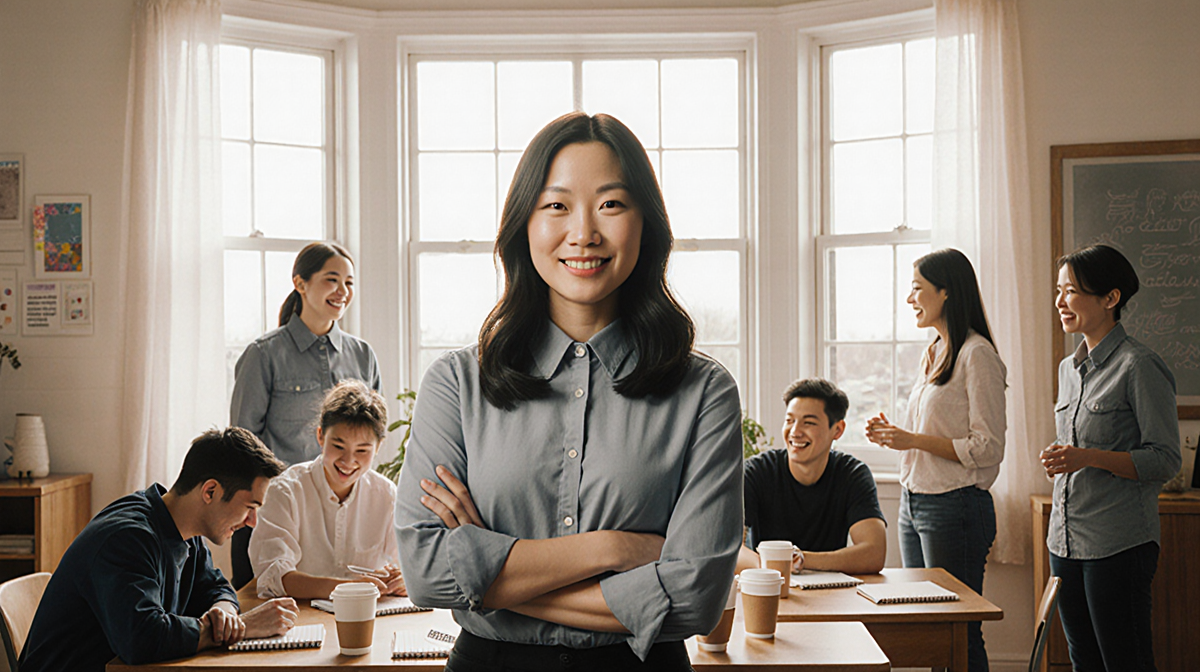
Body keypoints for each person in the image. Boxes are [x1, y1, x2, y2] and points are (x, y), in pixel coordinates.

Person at [395, 112, 743, 671]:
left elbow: (695, 600)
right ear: (524, 224)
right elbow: (427, 573)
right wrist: (616, 549)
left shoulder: (704, 392)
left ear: (645, 224)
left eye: (611, 204)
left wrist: (489, 574)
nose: (584, 232)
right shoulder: (457, 383)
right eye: (556, 205)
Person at [19, 428, 297, 672]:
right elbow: (142, 639)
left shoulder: (186, 531)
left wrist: (224, 613)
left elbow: (217, 587)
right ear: (210, 491)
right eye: (250, 507)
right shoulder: (127, 538)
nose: (252, 522)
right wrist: (243, 627)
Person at [864, 248, 1006, 672]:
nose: (910, 299)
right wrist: (896, 436)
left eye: (917, 289)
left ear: (946, 292)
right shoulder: (936, 351)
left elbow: (987, 447)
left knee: (958, 629)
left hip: (955, 506)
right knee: (929, 626)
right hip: (916, 502)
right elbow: (937, 432)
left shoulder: (976, 355)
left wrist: (912, 438)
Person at [1040, 244, 1178, 672]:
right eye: (1058, 291)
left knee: (1126, 661)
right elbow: (1078, 450)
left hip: (1118, 544)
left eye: (1072, 292)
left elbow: (1165, 460)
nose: (1061, 302)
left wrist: (1089, 457)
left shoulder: (1139, 366)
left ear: (1110, 298)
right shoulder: (1068, 369)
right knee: (1084, 661)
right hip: (1064, 541)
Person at [229, 241, 382, 588]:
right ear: (300, 283)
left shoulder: (363, 355)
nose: (342, 291)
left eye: (350, 282)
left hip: (341, 519)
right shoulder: (264, 354)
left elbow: (371, 435)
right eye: (332, 280)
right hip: (273, 511)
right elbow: (242, 444)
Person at [250, 379, 405, 599]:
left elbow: (411, 563)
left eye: (362, 450)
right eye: (338, 446)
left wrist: (406, 581)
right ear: (321, 436)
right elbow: (272, 578)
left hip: (368, 618)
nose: (348, 461)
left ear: (378, 447)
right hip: (301, 621)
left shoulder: (386, 494)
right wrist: (347, 588)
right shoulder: (286, 491)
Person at [737, 378, 886, 575]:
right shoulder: (756, 472)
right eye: (789, 421)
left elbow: (874, 553)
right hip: (774, 588)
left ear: (838, 430)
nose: (795, 432)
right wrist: (773, 567)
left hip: (833, 592)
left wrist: (802, 560)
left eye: (808, 423)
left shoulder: (853, 474)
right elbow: (732, 549)